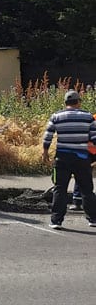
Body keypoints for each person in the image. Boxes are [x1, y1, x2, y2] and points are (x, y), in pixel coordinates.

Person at [42, 90, 96, 229]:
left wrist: (45, 152)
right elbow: (94, 139)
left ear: (65, 103)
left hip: (62, 157)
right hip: (82, 158)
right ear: (78, 102)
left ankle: (56, 221)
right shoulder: (88, 117)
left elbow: (48, 136)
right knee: (87, 189)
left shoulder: (57, 116)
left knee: (60, 189)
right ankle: (93, 219)